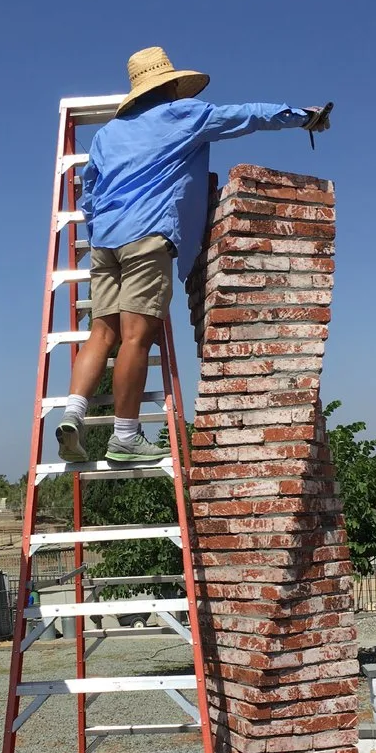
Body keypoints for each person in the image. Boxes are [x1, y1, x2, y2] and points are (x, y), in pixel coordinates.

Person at [58, 46, 329, 463]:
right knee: (135, 337)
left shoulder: (108, 135)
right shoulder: (182, 116)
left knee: (103, 333)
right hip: (147, 237)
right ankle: (125, 438)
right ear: (168, 85)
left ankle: (72, 413)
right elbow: (247, 115)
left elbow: (88, 193)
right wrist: (302, 116)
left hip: (105, 243)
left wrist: (99, 233)